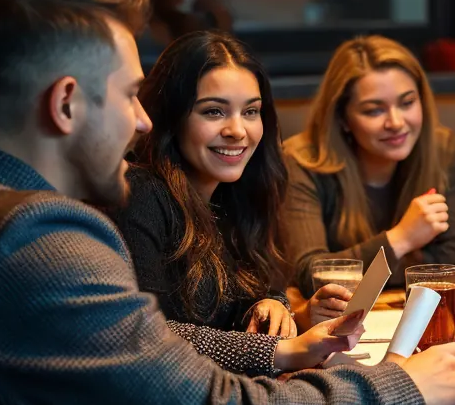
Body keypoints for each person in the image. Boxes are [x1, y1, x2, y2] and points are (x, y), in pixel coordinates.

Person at [0, 0, 455, 405]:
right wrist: (405, 387)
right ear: (66, 103)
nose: (143, 120)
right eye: (128, 96)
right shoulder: (33, 245)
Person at [111, 30, 357, 376]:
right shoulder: (141, 193)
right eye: (214, 112)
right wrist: (281, 351)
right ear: (172, 117)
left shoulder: (234, 193)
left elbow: (248, 294)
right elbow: (150, 337)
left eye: (251, 111)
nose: (237, 130)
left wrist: (282, 312)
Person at [282, 36, 455, 312]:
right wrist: (401, 239)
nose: (396, 122)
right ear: (343, 118)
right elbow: (310, 276)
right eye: (374, 110)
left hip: (415, 315)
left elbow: (448, 262)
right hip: (335, 323)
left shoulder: (443, 149)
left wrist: (357, 262)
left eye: (407, 103)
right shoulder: (302, 162)